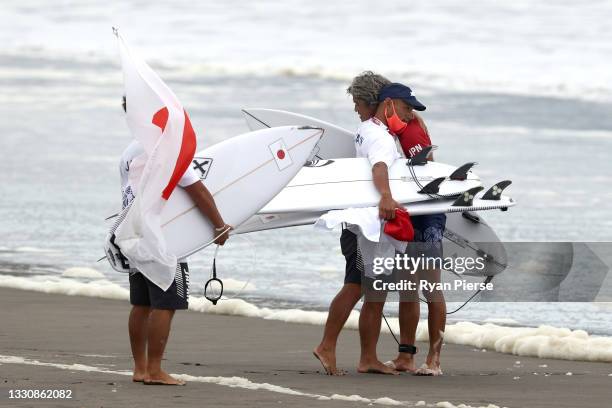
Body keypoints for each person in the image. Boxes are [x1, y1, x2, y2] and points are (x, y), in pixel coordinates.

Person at [119, 96, 231, 385]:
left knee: (142, 304)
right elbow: (197, 191)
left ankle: (141, 368)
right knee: (165, 304)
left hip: (134, 234)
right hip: (164, 239)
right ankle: (155, 371)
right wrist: (219, 225)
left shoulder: (129, 151)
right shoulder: (166, 151)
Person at [313, 72, 402, 375]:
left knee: (367, 290)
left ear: (371, 102)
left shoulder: (366, 130)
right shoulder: (380, 136)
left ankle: (367, 358)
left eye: (358, 102)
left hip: (356, 223)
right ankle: (330, 347)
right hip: (368, 226)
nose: (355, 108)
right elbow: (379, 168)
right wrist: (387, 196)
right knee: (358, 288)